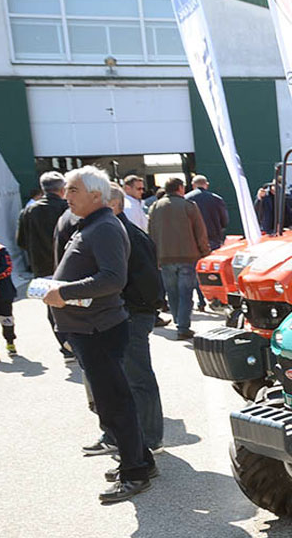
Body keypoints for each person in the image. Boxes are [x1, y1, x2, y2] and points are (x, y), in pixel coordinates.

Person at [42, 166, 156, 503]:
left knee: (114, 403)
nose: (67, 196)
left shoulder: (104, 227)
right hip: (90, 328)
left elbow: (112, 279)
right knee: (114, 399)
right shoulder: (90, 224)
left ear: (96, 195)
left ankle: (134, 472)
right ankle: (141, 461)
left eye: (74, 190)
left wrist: (62, 293)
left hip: (98, 329)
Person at [81, 186, 166, 456]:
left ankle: (150, 439)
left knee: (138, 378)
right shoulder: (107, 232)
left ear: (114, 205)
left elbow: (148, 282)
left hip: (131, 316)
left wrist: (136, 312)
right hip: (113, 316)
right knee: (115, 382)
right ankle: (116, 436)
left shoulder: (129, 235)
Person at [17, 171, 73, 359]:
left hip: (42, 267)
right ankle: (76, 344)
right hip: (68, 266)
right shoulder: (68, 208)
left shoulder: (29, 211)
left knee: (52, 307)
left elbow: (21, 242)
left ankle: (65, 346)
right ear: (63, 188)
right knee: (74, 304)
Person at [148, 177, 209, 340]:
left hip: (165, 257)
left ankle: (178, 322)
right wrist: (205, 252)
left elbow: (150, 234)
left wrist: (155, 257)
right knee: (185, 292)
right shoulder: (189, 206)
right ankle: (183, 326)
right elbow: (200, 232)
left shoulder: (155, 207)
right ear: (180, 188)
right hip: (187, 256)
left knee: (172, 292)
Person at [186, 175, 229, 310]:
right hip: (213, 239)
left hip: (193, 240)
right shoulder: (216, 199)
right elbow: (225, 221)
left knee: (196, 271)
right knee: (212, 272)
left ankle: (201, 301)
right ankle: (215, 299)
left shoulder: (186, 200)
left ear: (193, 185)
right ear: (206, 184)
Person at [0, 241, 16, 357]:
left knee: (7, 320)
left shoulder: (0, 250)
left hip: (3, 294)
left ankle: (10, 342)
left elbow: (7, 269)